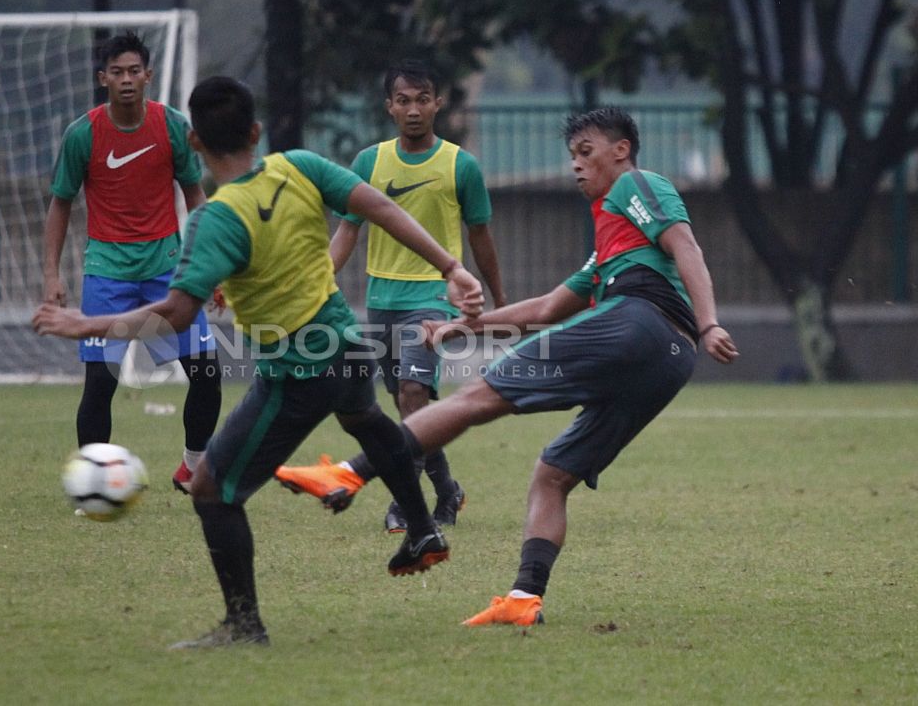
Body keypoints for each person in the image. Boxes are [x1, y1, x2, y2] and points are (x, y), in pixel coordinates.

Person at [33, 76, 486, 648]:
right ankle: (422, 529)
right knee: (368, 421)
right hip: (345, 347)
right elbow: (378, 206)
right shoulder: (299, 166)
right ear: (255, 131)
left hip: (296, 373)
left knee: (210, 491)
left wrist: (84, 324)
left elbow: (174, 313)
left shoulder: (215, 220)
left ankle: (244, 624)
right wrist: (451, 266)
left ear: (193, 142)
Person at [272, 106, 739, 627]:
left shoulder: (638, 186)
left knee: (477, 396)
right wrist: (461, 328)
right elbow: (542, 311)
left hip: (638, 324)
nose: (576, 166)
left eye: (586, 154)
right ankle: (523, 598)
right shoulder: (610, 250)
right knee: (553, 474)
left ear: (621, 150)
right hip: (668, 363)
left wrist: (710, 322)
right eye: (571, 158)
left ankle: (349, 472)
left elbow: (687, 246)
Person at [278, 59, 505, 534]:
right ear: (389, 107)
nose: (414, 109)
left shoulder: (460, 165)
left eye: (423, 99)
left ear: (438, 103)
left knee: (413, 392)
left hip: (433, 299)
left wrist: (499, 303)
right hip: (382, 299)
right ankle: (448, 491)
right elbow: (347, 232)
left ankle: (409, 504)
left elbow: (481, 238)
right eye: (404, 100)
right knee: (410, 409)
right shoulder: (369, 162)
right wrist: (317, 282)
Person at [42, 32, 222, 492]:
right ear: (103, 79)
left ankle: (192, 466)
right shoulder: (83, 134)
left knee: (205, 371)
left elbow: (195, 193)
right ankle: (92, 483)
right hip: (107, 272)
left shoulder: (171, 126)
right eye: (116, 72)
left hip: (168, 268)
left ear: (148, 75)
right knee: (100, 383)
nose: (126, 80)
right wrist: (51, 275)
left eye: (134, 71)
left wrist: (209, 264)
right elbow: (60, 202)